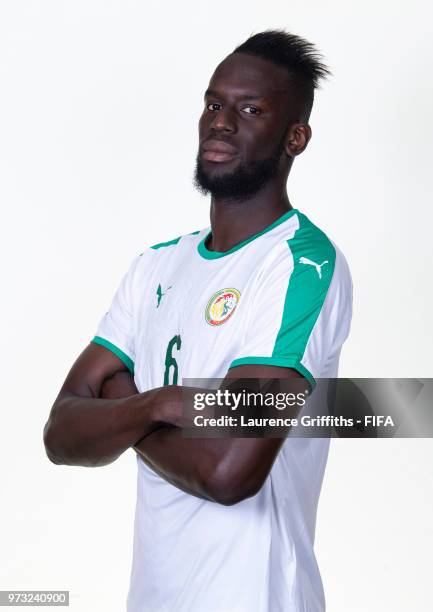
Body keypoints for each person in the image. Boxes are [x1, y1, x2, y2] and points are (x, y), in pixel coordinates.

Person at [43, 30, 352, 612]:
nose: (221, 123)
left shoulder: (300, 266)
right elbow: (61, 433)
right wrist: (157, 404)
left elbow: (230, 469)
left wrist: (119, 399)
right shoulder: (156, 265)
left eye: (251, 109)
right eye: (214, 104)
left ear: (296, 137)